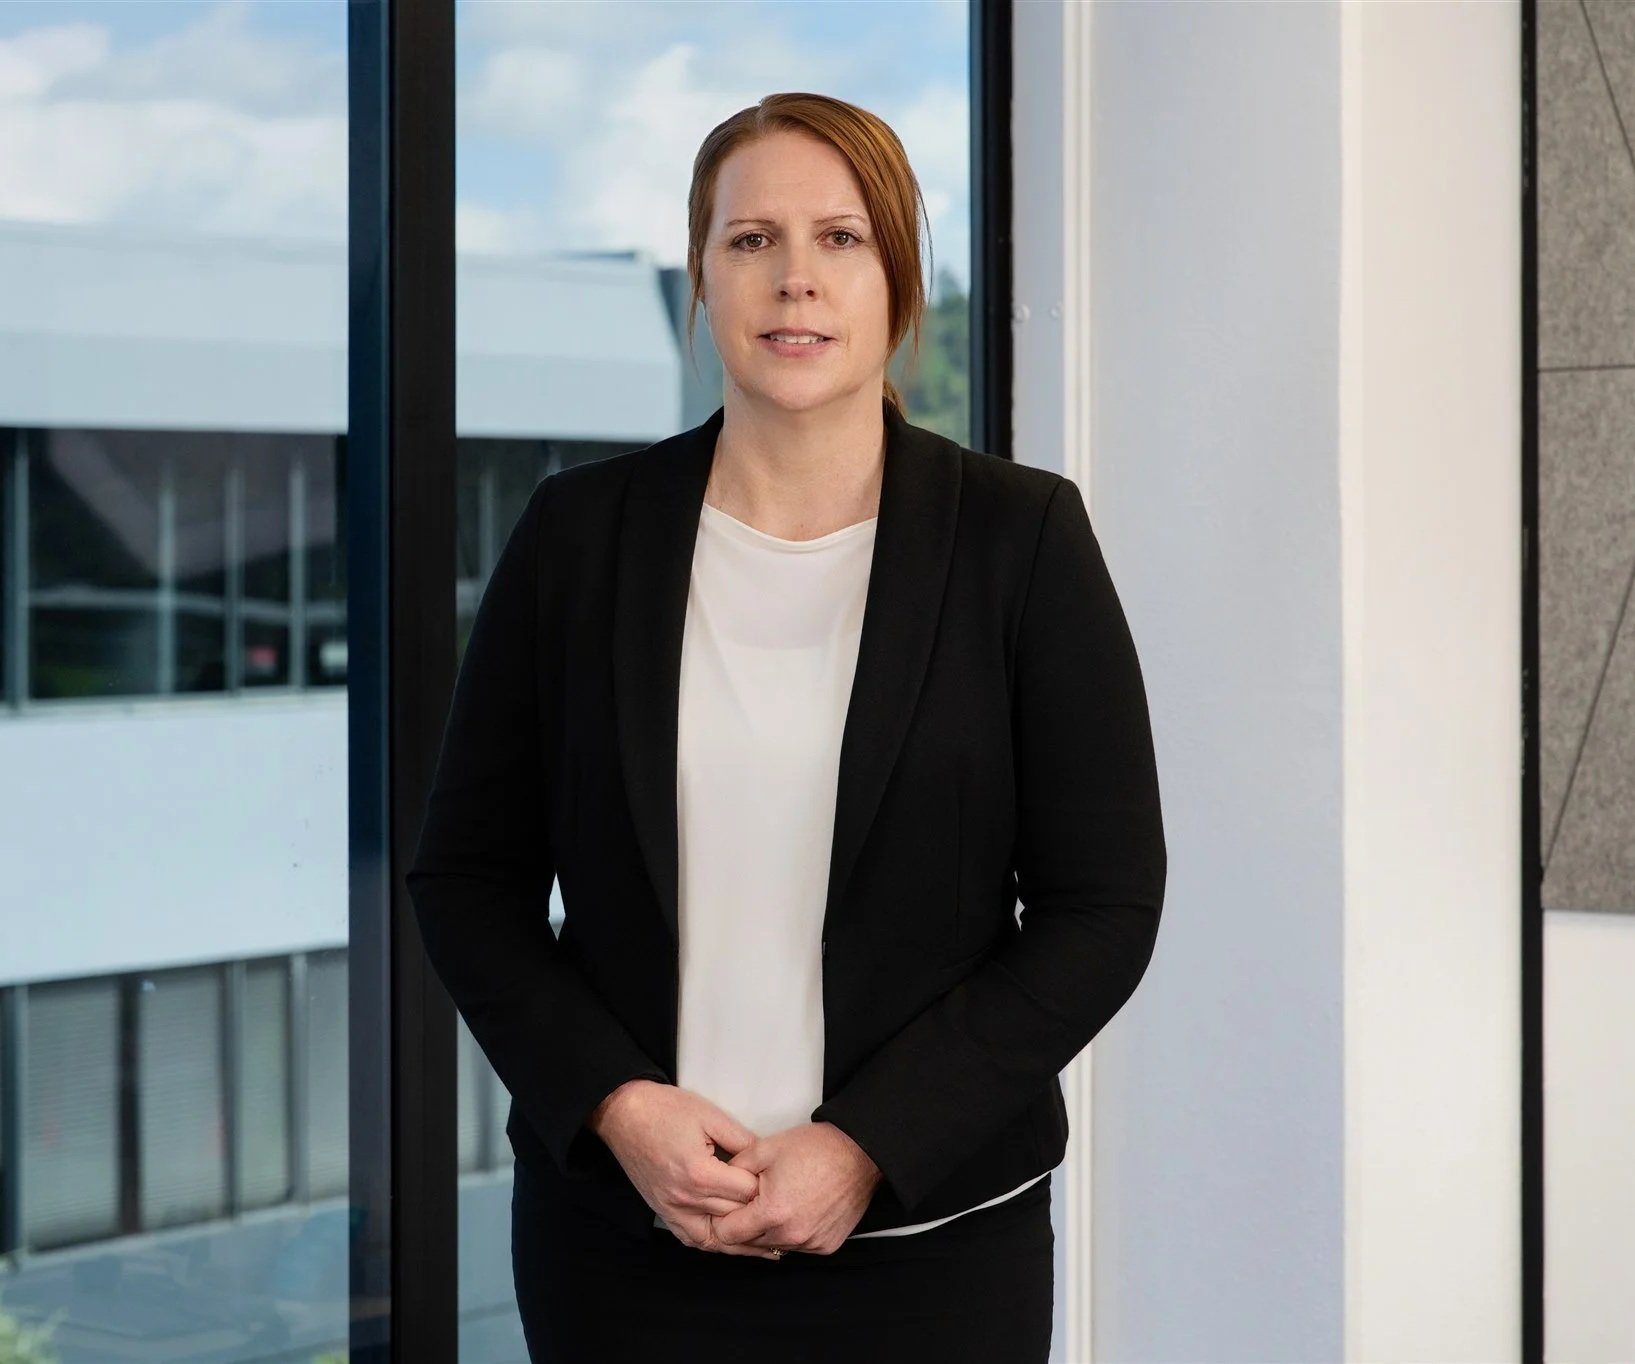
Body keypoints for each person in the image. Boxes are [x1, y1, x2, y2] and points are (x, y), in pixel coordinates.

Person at [405, 91, 1166, 1364]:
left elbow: (1104, 905)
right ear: (701, 279)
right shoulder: (577, 538)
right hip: (623, 1251)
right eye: (751, 239)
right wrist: (617, 1105)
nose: (794, 277)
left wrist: (871, 1141)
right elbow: (468, 878)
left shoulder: (1021, 539)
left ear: (898, 281)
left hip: (934, 1258)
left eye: (841, 238)